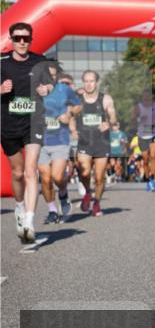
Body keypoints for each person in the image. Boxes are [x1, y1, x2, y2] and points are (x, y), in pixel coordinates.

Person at [1, 22, 56, 243]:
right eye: (18, 38)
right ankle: (19, 207)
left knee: (31, 171)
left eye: (26, 38)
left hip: (34, 122)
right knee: (17, 173)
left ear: (31, 39)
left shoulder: (39, 61)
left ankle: (29, 222)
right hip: (8, 124)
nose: (22, 42)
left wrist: (46, 89)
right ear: (11, 39)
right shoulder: (2, 62)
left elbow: (51, 85)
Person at [38, 64, 80, 224]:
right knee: (45, 179)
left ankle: (63, 192)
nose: (50, 77)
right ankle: (52, 211)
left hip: (60, 140)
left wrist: (68, 113)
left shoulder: (63, 89)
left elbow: (78, 105)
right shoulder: (35, 89)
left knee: (57, 177)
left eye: (54, 75)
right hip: (39, 140)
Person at [75, 69, 117, 217]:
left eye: (91, 81)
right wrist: (72, 129)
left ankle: (97, 203)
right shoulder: (77, 99)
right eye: (86, 81)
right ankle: (87, 192)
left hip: (101, 142)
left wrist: (109, 123)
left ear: (97, 82)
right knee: (84, 172)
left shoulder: (105, 99)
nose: (88, 84)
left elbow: (112, 115)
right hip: (84, 142)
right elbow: (70, 115)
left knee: (99, 177)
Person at [131, 88, 155, 191]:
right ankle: (148, 179)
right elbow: (133, 121)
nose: (147, 98)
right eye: (145, 96)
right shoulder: (138, 108)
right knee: (145, 159)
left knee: (153, 156)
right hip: (142, 135)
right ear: (142, 97)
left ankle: (153, 178)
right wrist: (140, 119)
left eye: (148, 96)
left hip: (154, 133)